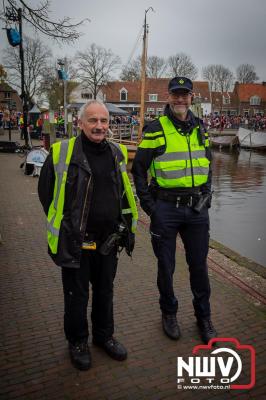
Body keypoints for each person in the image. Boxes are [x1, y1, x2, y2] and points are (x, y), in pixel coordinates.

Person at [38, 100, 138, 371]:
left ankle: (104, 336)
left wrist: (125, 227)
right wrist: (69, 224)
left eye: (104, 121)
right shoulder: (61, 152)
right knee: (76, 295)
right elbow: (46, 194)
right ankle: (78, 341)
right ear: (80, 123)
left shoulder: (116, 152)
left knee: (105, 292)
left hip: (108, 241)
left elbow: (123, 192)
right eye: (93, 120)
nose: (99, 126)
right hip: (76, 242)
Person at [132, 77, 217, 344]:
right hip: (165, 209)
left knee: (199, 267)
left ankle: (204, 317)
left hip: (196, 212)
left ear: (192, 97)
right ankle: (169, 313)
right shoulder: (156, 129)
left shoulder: (201, 129)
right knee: (166, 266)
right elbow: (138, 170)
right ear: (169, 97)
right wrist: (150, 208)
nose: (181, 100)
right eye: (176, 95)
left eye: (185, 95)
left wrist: (207, 195)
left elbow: (208, 165)